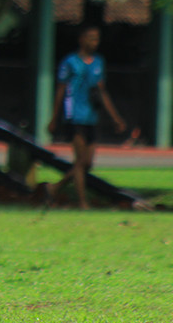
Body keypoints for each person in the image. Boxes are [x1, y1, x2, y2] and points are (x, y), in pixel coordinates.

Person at [47, 24, 126, 209]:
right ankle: (83, 203)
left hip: (91, 116)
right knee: (80, 161)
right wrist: (54, 117)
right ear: (81, 39)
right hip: (74, 115)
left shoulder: (99, 62)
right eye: (91, 37)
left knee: (87, 163)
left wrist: (116, 117)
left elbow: (102, 91)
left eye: (97, 38)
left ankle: (56, 187)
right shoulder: (70, 62)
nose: (95, 42)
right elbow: (61, 90)